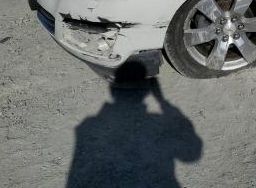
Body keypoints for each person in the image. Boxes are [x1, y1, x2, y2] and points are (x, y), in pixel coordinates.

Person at [66, 65, 202, 188]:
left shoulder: (87, 126)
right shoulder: (156, 122)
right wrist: (163, 103)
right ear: (146, 93)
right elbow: (191, 155)